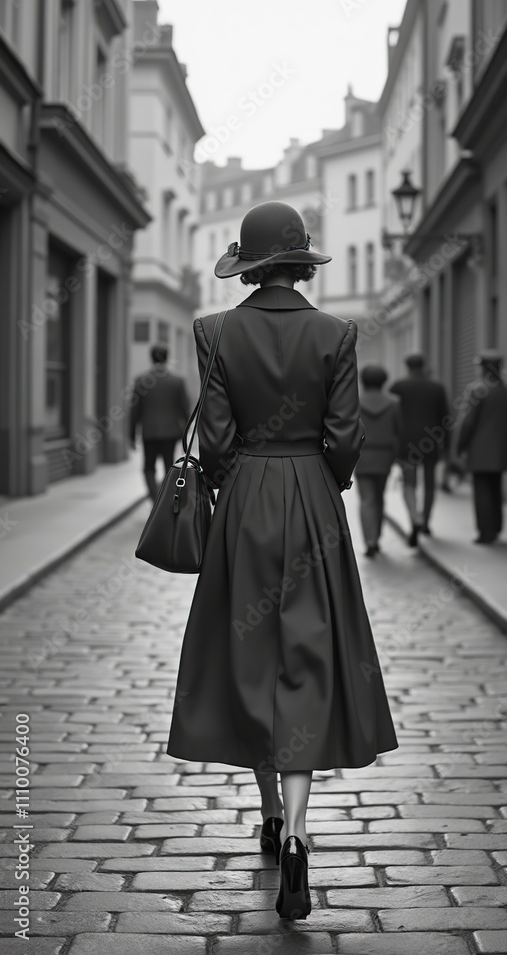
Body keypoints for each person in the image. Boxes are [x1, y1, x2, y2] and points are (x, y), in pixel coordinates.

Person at [165, 201, 399, 921]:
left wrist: (242, 483)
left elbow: (218, 437)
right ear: (300, 263)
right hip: (314, 501)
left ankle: (268, 815)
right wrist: (324, 481)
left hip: (244, 504)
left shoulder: (214, 331)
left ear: (250, 265)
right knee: (304, 659)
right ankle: (298, 835)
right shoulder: (336, 333)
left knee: (251, 658)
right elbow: (345, 439)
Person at [457, 349, 507, 543]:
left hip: (479, 450)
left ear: (483, 369)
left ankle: (486, 532)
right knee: (495, 487)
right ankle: (496, 527)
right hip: (501, 449)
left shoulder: (476, 390)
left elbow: (468, 423)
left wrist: (461, 446)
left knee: (482, 489)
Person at [389, 353, 450, 546]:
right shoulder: (437, 388)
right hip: (430, 441)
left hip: (406, 441)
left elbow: (392, 417)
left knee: (409, 483)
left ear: (406, 366)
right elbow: (445, 419)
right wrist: (447, 446)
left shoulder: (397, 387)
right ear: (424, 366)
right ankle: (426, 521)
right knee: (430, 483)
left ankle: (415, 518)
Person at [129, 345, 192, 501]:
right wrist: (187, 433)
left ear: (151, 358)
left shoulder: (140, 381)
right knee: (169, 467)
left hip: (149, 432)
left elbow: (134, 411)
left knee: (148, 467)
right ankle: (165, 499)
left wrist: (131, 435)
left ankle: (154, 499)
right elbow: (186, 410)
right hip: (171, 433)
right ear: (167, 358)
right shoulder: (177, 381)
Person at [355, 364, 401, 557]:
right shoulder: (394, 403)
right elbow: (399, 431)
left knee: (366, 499)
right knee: (380, 496)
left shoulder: (355, 402)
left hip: (362, 455)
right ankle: (377, 535)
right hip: (385, 455)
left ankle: (369, 540)